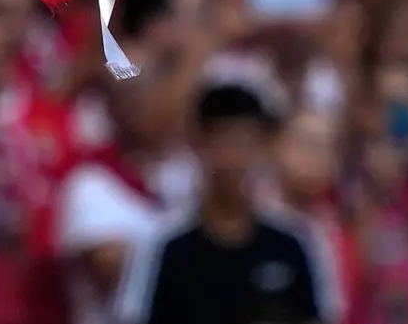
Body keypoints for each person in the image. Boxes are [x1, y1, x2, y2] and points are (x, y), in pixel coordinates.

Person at [117, 82, 334, 324]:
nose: (234, 159)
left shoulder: (295, 242)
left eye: (245, 143)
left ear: (263, 148)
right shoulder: (164, 243)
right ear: (199, 146)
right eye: (223, 142)